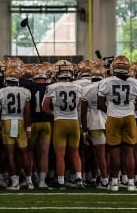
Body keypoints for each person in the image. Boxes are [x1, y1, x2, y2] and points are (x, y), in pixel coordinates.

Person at [97, 55, 137, 192]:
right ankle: (131, 183)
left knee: (115, 152)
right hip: (129, 117)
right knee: (129, 151)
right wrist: (129, 109)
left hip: (113, 117)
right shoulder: (135, 82)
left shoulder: (106, 82)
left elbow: (100, 104)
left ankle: (114, 183)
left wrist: (112, 110)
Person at [42, 60, 85, 189]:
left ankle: (60, 181)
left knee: (60, 154)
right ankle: (79, 179)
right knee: (75, 152)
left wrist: (54, 112)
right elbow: (78, 105)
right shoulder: (78, 87)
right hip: (74, 122)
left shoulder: (52, 87)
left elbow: (44, 107)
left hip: (60, 121)